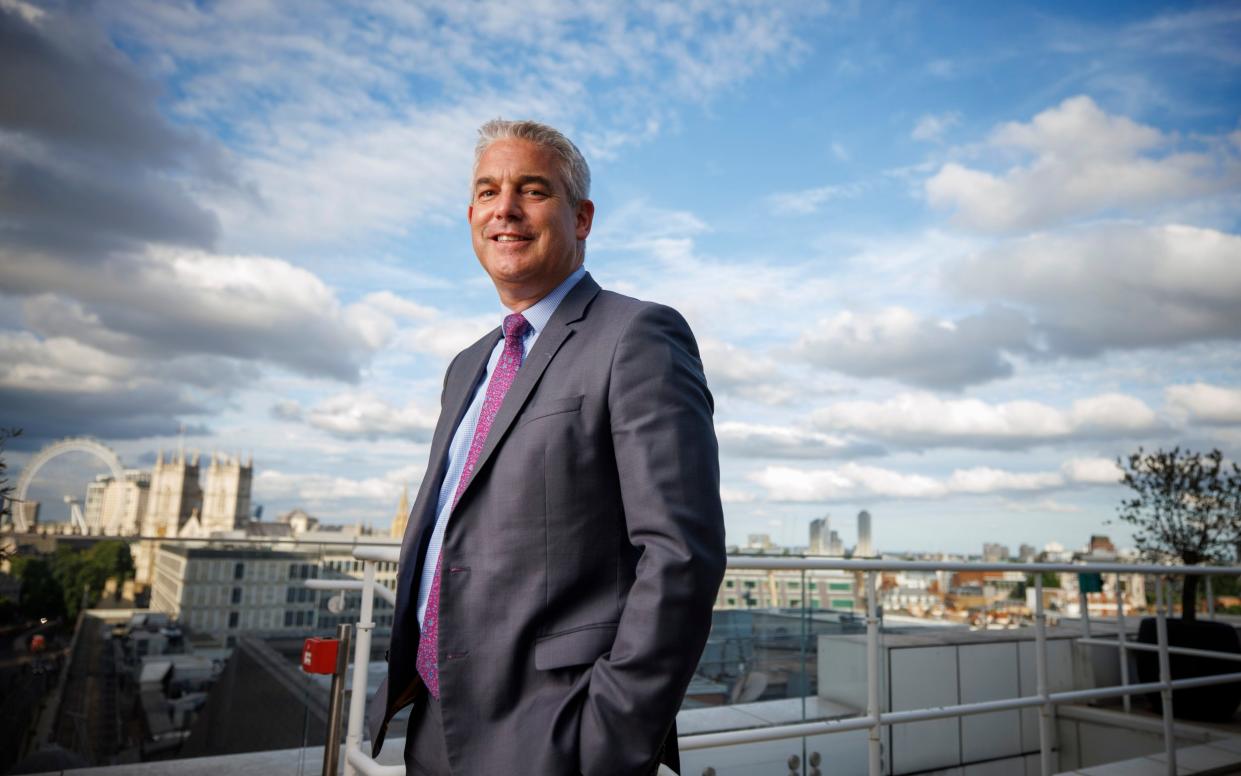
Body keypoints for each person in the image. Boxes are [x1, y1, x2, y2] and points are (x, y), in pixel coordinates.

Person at [368, 119, 726, 776]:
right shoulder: (466, 365)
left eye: (531, 190)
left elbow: (680, 554)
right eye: (486, 191)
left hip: (555, 735)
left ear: (581, 217)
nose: (503, 208)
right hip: (435, 726)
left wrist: (603, 740)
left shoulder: (636, 335)